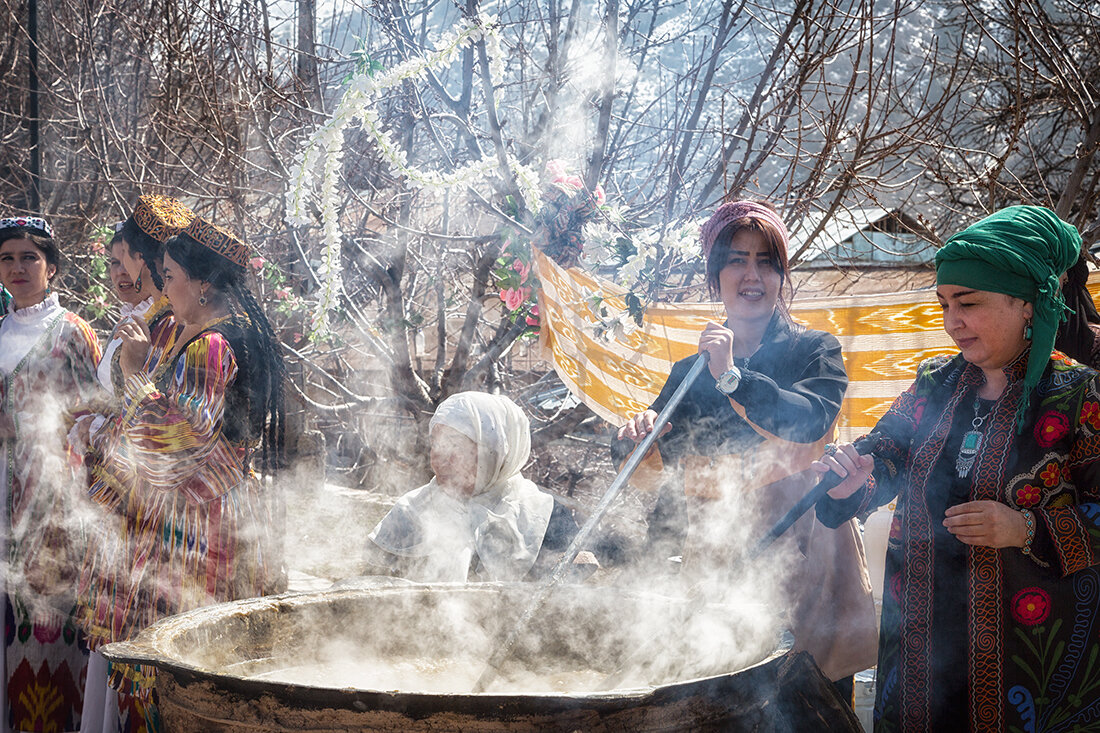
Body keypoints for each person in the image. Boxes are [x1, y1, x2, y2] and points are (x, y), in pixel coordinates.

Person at [814, 205, 1097, 731]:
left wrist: (1025, 528)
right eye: (944, 304)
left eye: (968, 303)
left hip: (1030, 672)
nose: (951, 322)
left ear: (1028, 304)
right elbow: (887, 456)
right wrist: (857, 480)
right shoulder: (934, 385)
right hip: (920, 662)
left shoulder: (1079, 396)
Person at [615, 200, 877, 685]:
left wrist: (734, 378)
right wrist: (638, 438)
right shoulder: (689, 372)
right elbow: (656, 470)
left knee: (805, 702)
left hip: (804, 549)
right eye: (737, 260)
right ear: (716, 275)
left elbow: (810, 421)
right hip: (716, 557)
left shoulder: (814, 350)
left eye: (766, 261)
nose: (751, 274)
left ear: (782, 275)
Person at [77, 216, 285, 732]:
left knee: (179, 659)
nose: (160, 286)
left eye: (167, 276)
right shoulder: (173, 327)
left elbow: (170, 450)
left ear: (204, 282)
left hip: (194, 524)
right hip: (159, 514)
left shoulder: (213, 345)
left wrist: (133, 371)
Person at [0, 216, 102, 731]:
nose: (17, 267)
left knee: (45, 618)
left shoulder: (72, 333)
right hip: (3, 488)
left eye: (29, 257)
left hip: (53, 495)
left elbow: (97, 414)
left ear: (52, 267)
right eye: (7, 258)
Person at [366, 391, 575, 582]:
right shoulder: (410, 511)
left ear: (497, 450)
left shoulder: (543, 517)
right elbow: (370, 595)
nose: (439, 459)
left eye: (455, 445)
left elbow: (565, 605)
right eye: (435, 444)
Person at [96, 226, 154, 393]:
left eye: (129, 261)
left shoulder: (168, 322)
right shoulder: (124, 320)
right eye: (115, 263)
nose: (121, 271)